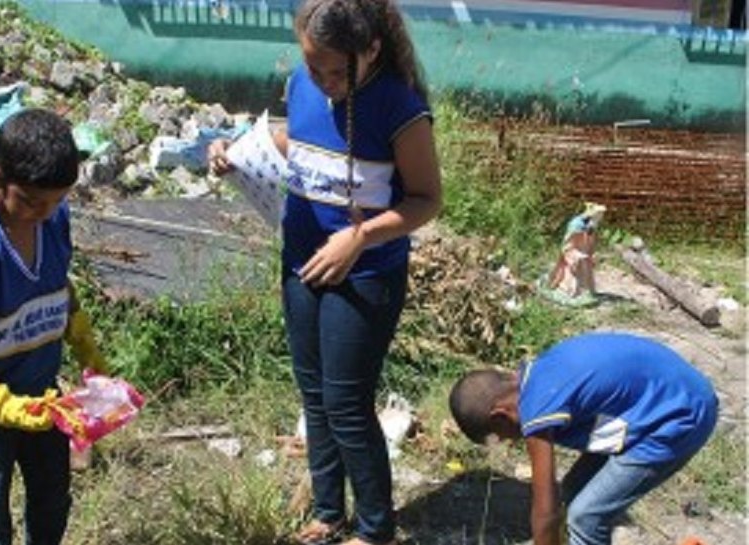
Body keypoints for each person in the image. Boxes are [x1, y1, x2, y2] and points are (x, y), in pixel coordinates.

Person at [209, 1, 442, 543]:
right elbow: (304, 141)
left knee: (346, 401)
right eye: (316, 69)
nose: (327, 82)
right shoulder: (303, 83)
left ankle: (375, 526)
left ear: (372, 50)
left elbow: (427, 200)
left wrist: (359, 237)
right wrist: (235, 152)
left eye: (340, 71)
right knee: (313, 395)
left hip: (366, 274)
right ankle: (327, 512)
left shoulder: (400, 108)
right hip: (300, 260)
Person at [0, 108, 108, 545]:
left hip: (41, 395)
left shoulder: (53, 218)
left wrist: (80, 332)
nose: (44, 213)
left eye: (56, 201)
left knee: (52, 496)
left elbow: (56, 281)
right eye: (32, 201)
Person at [448, 332, 719, 545]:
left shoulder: (535, 407)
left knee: (586, 515)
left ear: (500, 416)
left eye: (502, 438)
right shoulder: (539, 375)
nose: (511, 442)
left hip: (678, 417)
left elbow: (545, 511)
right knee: (572, 492)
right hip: (661, 400)